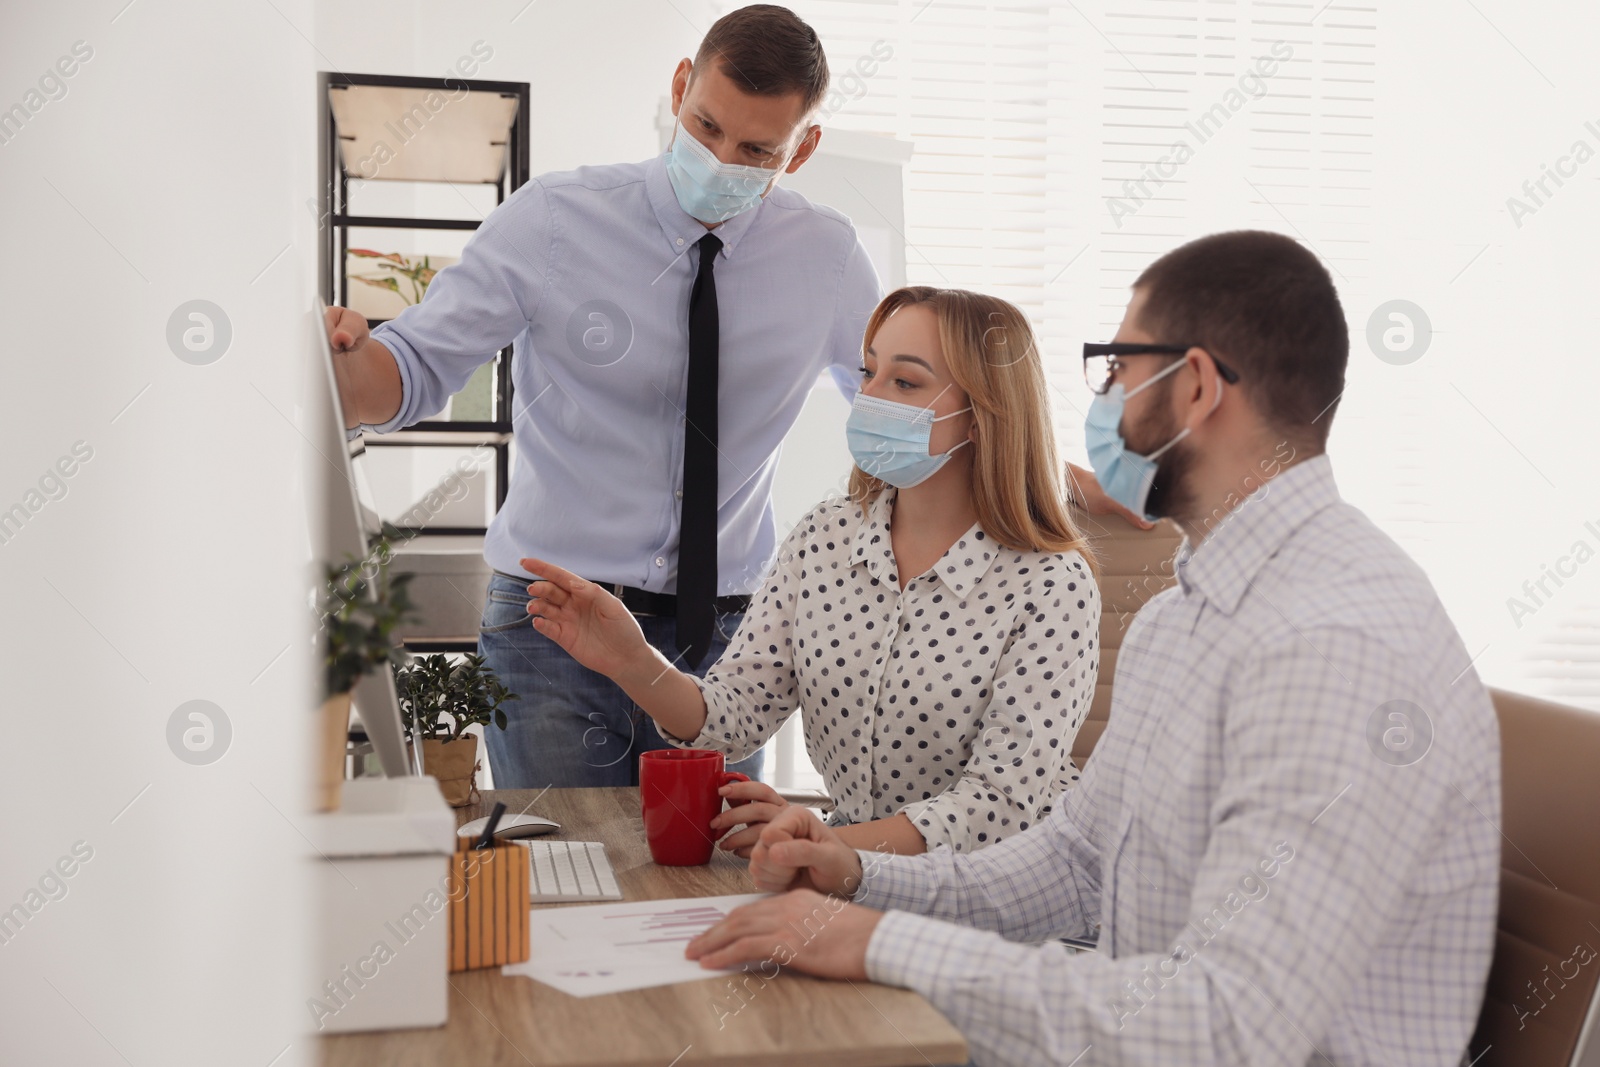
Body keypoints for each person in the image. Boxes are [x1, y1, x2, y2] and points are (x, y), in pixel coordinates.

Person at [681, 231, 1502, 1067]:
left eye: (1116, 367)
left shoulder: (1333, 641)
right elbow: (1075, 861)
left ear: (1193, 386)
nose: (1101, 397)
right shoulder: (1181, 621)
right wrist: (857, 879)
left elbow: (1230, 1029)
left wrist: (880, 945)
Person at [322, 6, 880, 788]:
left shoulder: (827, 257)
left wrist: (1038, 477)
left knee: (713, 894)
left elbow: (907, 414)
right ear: (682, 86)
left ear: (804, 148)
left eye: (756, 149)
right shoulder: (554, 219)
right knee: (567, 879)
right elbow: (411, 369)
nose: (721, 159)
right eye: (706, 127)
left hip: (722, 644)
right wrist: (335, 363)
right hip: (552, 624)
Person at [522, 287, 1100, 858]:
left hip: (1004, 893)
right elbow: (736, 716)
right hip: (850, 873)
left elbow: (999, 805)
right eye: (868, 371)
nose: (868, 396)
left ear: (982, 416)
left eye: (905, 381)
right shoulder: (825, 537)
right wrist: (630, 660)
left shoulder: (1053, 583)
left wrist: (824, 843)